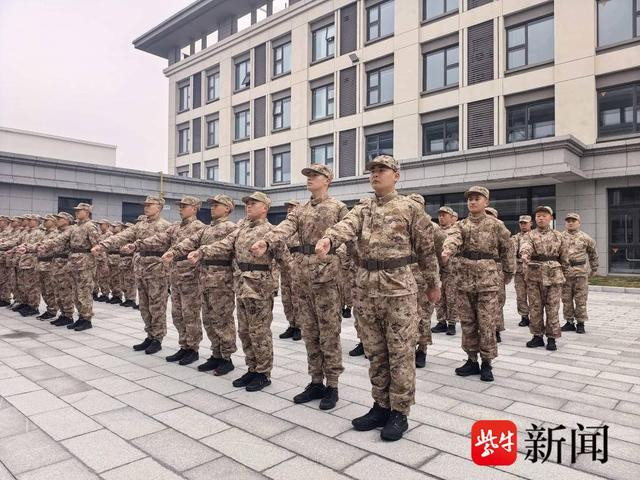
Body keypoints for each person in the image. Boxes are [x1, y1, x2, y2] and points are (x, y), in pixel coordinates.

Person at [316, 155, 441, 441]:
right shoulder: (363, 208)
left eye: (382, 170)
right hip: (367, 291)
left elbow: (426, 250)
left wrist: (433, 284)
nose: (375, 174)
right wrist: (329, 239)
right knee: (375, 351)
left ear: (396, 175)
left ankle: (399, 411)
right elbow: (345, 226)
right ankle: (381, 405)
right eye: (372, 170)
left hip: (398, 290)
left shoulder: (410, 208)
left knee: (400, 353)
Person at [252, 164, 348, 410]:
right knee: (309, 332)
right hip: (303, 279)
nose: (309, 179)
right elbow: (285, 228)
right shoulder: (300, 210)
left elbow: (348, 239)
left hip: (327, 279)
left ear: (328, 179)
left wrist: (336, 261)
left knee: (329, 333)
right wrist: (266, 241)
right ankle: (315, 381)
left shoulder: (338, 208)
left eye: (315, 176)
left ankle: (332, 385)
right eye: (308, 176)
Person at [189, 192, 285, 392]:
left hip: (260, 288)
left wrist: (282, 286)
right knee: (245, 331)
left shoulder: (271, 232)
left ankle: (263, 373)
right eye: (247, 203)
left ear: (265, 208)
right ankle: (252, 368)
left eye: (253, 203)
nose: (248, 206)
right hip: (241, 286)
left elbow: (285, 261)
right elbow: (225, 245)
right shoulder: (241, 228)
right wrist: (201, 251)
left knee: (260, 332)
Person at [441, 186, 515, 382]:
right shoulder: (461, 225)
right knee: (467, 322)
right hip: (464, 281)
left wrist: (509, 272)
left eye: (477, 198)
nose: (472, 202)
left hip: (487, 282)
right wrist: (447, 250)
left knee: (487, 322)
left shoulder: (496, 225)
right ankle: (472, 359)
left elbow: (507, 248)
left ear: (486, 202)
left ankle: (487, 363)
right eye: (470, 199)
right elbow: (453, 238)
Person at [164, 194, 238, 376]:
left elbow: (227, 248)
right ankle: (216, 354)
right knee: (209, 319)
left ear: (227, 208)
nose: (213, 207)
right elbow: (189, 242)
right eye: (212, 205)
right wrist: (173, 252)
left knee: (222, 319)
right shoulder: (207, 229)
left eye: (217, 205)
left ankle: (226, 358)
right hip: (204, 279)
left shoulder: (231, 228)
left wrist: (201, 251)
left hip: (222, 280)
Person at [128, 196, 206, 366]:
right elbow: (160, 238)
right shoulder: (175, 226)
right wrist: (138, 244)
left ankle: (193, 349)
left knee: (190, 313)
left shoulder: (199, 227)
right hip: (175, 274)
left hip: (190, 276)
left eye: (184, 206)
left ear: (194, 208)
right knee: (177, 314)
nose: (180, 209)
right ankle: (184, 346)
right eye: (180, 206)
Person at [93, 196, 170, 354]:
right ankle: (149, 335)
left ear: (159, 207)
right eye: (145, 205)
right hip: (141, 270)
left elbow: (164, 243)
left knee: (157, 306)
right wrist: (103, 245)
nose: (146, 207)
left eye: (150, 205)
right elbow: (122, 236)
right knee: (144, 306)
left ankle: (157, 338)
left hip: (157, 271)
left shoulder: (165, 226)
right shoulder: (140, 225)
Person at [38, 203, 100, 331]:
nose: (76, 212)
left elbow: (97, 246)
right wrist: (45, 245)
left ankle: (86, 319)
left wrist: (101, 265)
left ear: (87, 212)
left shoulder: (90, 226)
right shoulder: (74, 228)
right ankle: (80, 317)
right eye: (76, 211)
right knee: (76, 293)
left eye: (79, 210)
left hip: (85, 264)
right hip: (74, 264)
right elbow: (60, 239)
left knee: (84, 292)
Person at [520, 206, 570, 351]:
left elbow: (565, 257)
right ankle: (537, 336)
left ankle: (552, 338)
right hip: (534, 276)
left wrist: (565, 275)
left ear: (551, 218)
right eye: (538, 216)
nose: (541, 218)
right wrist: (525, 255)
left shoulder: (558, 236)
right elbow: (525, 246)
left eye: (544, 215)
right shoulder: (529, 235)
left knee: (552, 308)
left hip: (554, 277)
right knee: (535, 307)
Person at [561, 213, 598, 334]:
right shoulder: (559, 237)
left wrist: (594, 268)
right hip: (565, 273)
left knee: (580, 299)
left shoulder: (585, 238)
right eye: (568, 221)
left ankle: (580, 323)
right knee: (566, 299)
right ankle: (569, 322)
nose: (570, 223)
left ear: (579, 223)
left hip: (580, 272)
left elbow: (593, 254)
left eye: (573, 221)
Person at [431, 206, 458, 336]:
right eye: (440, 215)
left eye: (444, 215)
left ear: (451, 217)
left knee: (451, 297)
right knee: (439, 298)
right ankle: (441, 322)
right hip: (437, 270)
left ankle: (452, 323)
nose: (441, 217)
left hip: (451, 270)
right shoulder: (434, 231)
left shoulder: (455, 231)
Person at [278, 199, 303, 342]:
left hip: (297, 265)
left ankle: (300, 326)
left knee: (297, 297)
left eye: (292, 207)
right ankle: (292, 324)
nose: (289, 209)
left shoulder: (302, 225)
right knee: (286, 298)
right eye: (288, 207)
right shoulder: (285, 227)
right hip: (285, 267)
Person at [484, 207, 506, 343]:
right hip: (481, 270)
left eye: (491, 215)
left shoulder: (500, 230)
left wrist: (508, 271)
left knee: (497, 300)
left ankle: (496, 329)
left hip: (496, 268)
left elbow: (508, 250)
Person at [513, 215, 533, 327]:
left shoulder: (535, 235)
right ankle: (524, 317)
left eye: (525, 223)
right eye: (521, 223)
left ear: (531, 224)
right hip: (519, 271)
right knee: (521, 295)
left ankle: (535, 317)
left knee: (534, 296)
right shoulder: (515, 237)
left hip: (533, 270)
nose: (523, 225)